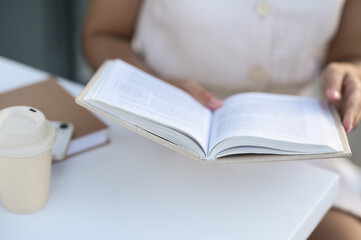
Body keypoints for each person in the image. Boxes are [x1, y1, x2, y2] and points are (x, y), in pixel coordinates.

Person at [83, 0, 361, 239]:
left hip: (294, 148)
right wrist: (152, 87)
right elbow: (104, 34)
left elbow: (349, 56)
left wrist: (350, 74)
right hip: (159, 132)